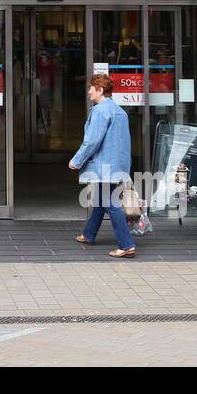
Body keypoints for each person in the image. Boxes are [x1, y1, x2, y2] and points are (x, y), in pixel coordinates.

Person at [70, 73, 136, 258]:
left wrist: (76, 161)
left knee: (109, 202)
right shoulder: (119, 110)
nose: (89, 91)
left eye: (92, 87)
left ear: (100, 90)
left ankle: (127, 244)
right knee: (101, 200)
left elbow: (91, 141)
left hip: (104, 165)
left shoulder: (100, 111)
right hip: (117, 164)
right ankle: (88, 234)